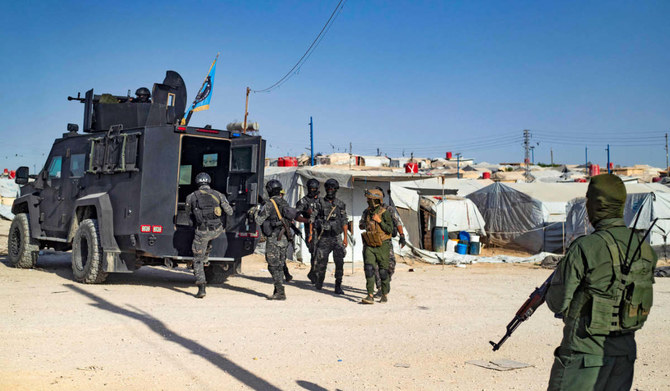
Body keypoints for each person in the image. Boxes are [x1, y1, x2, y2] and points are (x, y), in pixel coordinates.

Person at [545, 174, 657, 390]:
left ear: (596, 204)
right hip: (624, 355)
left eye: (588, 200)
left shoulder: (585, 247)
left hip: (584, 357)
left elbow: (557, 303)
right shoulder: (645, 249)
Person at [255, 179, 307, 300]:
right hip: (284, 239)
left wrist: (254, 212)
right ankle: (277, 290)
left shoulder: (269, 204)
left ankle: (280, 291)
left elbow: (259, 220)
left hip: (274, 238)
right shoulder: (284, 203)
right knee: (279, 265)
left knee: (272, 266)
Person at [184, 172, 233, 298]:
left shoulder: (191, 197)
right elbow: (230, 211)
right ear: (209, 182)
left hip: (202, 231)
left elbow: (188, 216)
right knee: (208, 240)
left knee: (197, 259)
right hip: (217, 230)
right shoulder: (219, 195)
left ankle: (201, 288)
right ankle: (206, 254)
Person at [312, 178, 348, 293]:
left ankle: (338, 285)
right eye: (328, 188)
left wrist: (346, 238)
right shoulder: (319, 203)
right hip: (324, 237)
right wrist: (312, 233)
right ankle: (319, 282)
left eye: (332, 188)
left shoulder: (340, 204)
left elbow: (344, 221)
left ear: (336, 189)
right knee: (321, 262)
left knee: (339, 262)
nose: (330, 190)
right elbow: (313, 218)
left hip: (336, 237)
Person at [359, 189, 393, 304]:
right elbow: (361, 225)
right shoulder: (367, 212)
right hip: (370, 244)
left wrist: (379, 221)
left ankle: (384, 293)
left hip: (383, 245)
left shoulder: (385, 212)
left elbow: (390, 230)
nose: (368, 201)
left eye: (370, 199)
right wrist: (365, 224)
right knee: (369, 269)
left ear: (376, 200)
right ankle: (370, 295)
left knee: (383, 271)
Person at [371, 187, 406, 297]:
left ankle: (386, 282)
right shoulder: (369, 210)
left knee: (391, 265)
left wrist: (402, 236)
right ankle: (380, 287)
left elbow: (397, 222)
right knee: (376, 266)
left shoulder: (388, 209)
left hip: (386, 241)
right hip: (374, 241)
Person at [296, 178, 321, 283]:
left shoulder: (321, 201)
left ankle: (314, 273)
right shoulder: (303, 201)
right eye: (310, 188)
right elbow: (296, 215)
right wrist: (308, 219)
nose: (312, 190)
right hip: (311, 232)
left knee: (320, 254)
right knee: (314, 253)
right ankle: (314, 274)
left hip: (322, 231)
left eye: (314, 188)